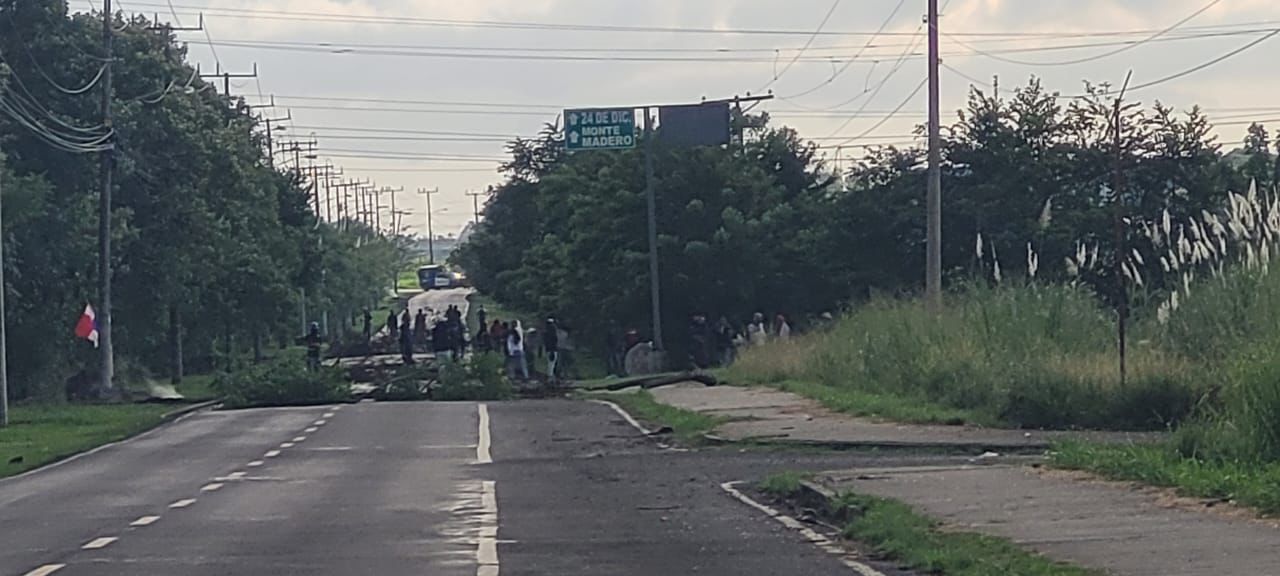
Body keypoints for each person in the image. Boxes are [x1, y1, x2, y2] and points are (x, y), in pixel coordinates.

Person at [544, 317, 560, 382]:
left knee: (550, 363)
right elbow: (553, 341)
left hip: (548, 349)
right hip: (552, 349)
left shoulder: (546, 332)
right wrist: (552, 351)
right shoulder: (552, 332)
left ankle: (552, 377)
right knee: (551, 363)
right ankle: (550, 377)